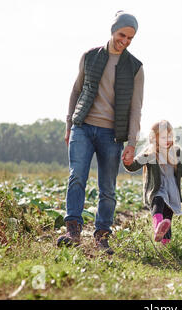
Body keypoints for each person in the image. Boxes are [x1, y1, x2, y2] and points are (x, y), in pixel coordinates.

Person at [57, 11, 144, 255]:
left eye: (130, 38)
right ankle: (73, 229)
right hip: (82, 128)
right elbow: (75, 92)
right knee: (76, 177)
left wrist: (132, 142)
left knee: (108, 188)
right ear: (113, 30)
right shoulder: (90, 57)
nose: (125, 41)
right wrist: (69, 125)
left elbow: (136, 108)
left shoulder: (135, 68)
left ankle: (102, 235)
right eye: (122, 35)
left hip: (112, 135)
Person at [124, 120, 182, 245]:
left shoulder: (176, 152)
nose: (168, 139)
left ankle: (165, 245)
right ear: (154, 138)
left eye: (170, 136)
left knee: (167, 217)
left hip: (172, 190)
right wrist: (127, 161)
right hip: (157, 189)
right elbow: (133, 166)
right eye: (163, 137)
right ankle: (157, 229)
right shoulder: (149, 153)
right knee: (159, 202)